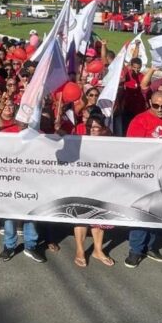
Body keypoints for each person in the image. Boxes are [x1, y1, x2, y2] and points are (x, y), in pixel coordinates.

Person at [124, 90, 162, 268]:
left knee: (159, 214)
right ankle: (135, 250)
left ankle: (150, 246)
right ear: (150, 102)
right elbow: (132, 149)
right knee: (142, 213)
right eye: (156, 105)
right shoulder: (140, 121)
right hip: (146, 175)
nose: (160, 109)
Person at [72, 114, 115, 268]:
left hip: (101, 185)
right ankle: (80, 251)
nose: (94, 130)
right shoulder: (78, 141)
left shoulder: (110, 143)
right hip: (82, 185)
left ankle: (98, 250)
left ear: (103, 128)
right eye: (91, 127)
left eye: (97, 127)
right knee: (81, 218)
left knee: (99, 218)